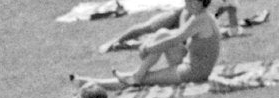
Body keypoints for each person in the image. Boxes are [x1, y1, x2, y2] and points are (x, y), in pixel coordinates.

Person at [75, 0, 221, 91]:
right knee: (163, 33)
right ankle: (136, 76)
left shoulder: (200, 20)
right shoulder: (202, 16)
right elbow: (174, 36)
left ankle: (91, 83)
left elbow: (175, 39)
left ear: (196, 2)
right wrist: (151, 41)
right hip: (192, 65)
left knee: (147, 79)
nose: (185, 4)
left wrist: (148, 48)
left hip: (193, 72)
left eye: (187, 1)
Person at [98, 0, 240, 53]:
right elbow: (186, 9)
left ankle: (128, 46)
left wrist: (223, 32)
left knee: (166, 39)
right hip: (180, 14)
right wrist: (183, 27)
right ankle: (115, 41)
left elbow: (234, 28)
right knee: (149, 27)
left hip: (195, 22)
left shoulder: (231, 3)